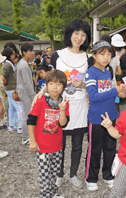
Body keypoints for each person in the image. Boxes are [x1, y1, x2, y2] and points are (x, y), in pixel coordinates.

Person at [35, 18, 91, 189]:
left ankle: (73, 174)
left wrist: (81, 85)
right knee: (59, 143)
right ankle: (59, 174)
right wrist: (42, 92)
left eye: (83, 35)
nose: (79, 38)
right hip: (60, 106)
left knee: (77, 144)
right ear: (70, 34)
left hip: (80, 106)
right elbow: (51, 78)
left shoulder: (88, 58)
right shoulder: (58, 55)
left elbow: (91, 83)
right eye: (76, 33)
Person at [85, 41, 126, 191]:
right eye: (102, 54)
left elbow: (108, 94)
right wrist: (115, 90)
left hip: (111, 115)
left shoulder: (108, 72)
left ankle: (108, 175)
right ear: (94, 55)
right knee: (94, 149)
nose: (106, 57)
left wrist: (119, 94)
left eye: (109, 54)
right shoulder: (90, 72)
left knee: (110, 147)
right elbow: (94, 96)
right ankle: (91, 178)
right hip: (96, 118)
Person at [27, 70, 69, 198]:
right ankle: (45, 195)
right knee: (44, 174)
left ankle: (53, 193)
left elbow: (63, 124)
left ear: (63, 86)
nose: (54, 88)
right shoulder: (40, 101)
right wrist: (32, 141)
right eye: (51, 84)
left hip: (57, 145)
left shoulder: (64, 103)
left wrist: (62, 110)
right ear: (46, 85)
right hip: (42, 146)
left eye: (58, 84)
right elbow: (31, 121)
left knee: (55, 172)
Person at [16, 43, 36, 145]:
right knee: (27, 114)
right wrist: (33, 95)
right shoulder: (23, 65)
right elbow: (27, 82)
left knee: (27, 113)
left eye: (33, 51)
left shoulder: (23, 63)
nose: (33, 53)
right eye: (30, 51)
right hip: (26, 93)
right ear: (24, 52)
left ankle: (27, 136)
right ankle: (25, 137)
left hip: (24, 92)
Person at [1, 47, 23, 134]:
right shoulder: (7, 65)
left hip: (9, 89)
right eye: (13, 54)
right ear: (9, 55)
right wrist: (6, 84)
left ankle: (12, 125)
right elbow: (3, 77)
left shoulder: (8, 63)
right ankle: (20, 127)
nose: (14, 56)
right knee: (20, 107)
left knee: (12, 107)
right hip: (11, 89)